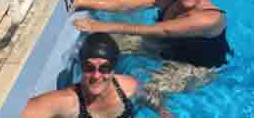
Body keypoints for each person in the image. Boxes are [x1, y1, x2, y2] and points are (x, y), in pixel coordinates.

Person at [72, 0, 233, 110]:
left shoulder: (209, 19)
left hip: (195, 68)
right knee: (110, 45)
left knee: (144, 93)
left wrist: (100, 25)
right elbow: (123, 4)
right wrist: (79, 1)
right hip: (168, 49)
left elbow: (161, 29)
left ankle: (163, 112)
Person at [21, 33, 172, 118]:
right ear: (81, 66)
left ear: (113, 69)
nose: (96, 75)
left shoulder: (128, 87)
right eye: (89, 67)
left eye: (104, 68)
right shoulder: (69, 101)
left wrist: (163, 112)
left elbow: (148, 97)